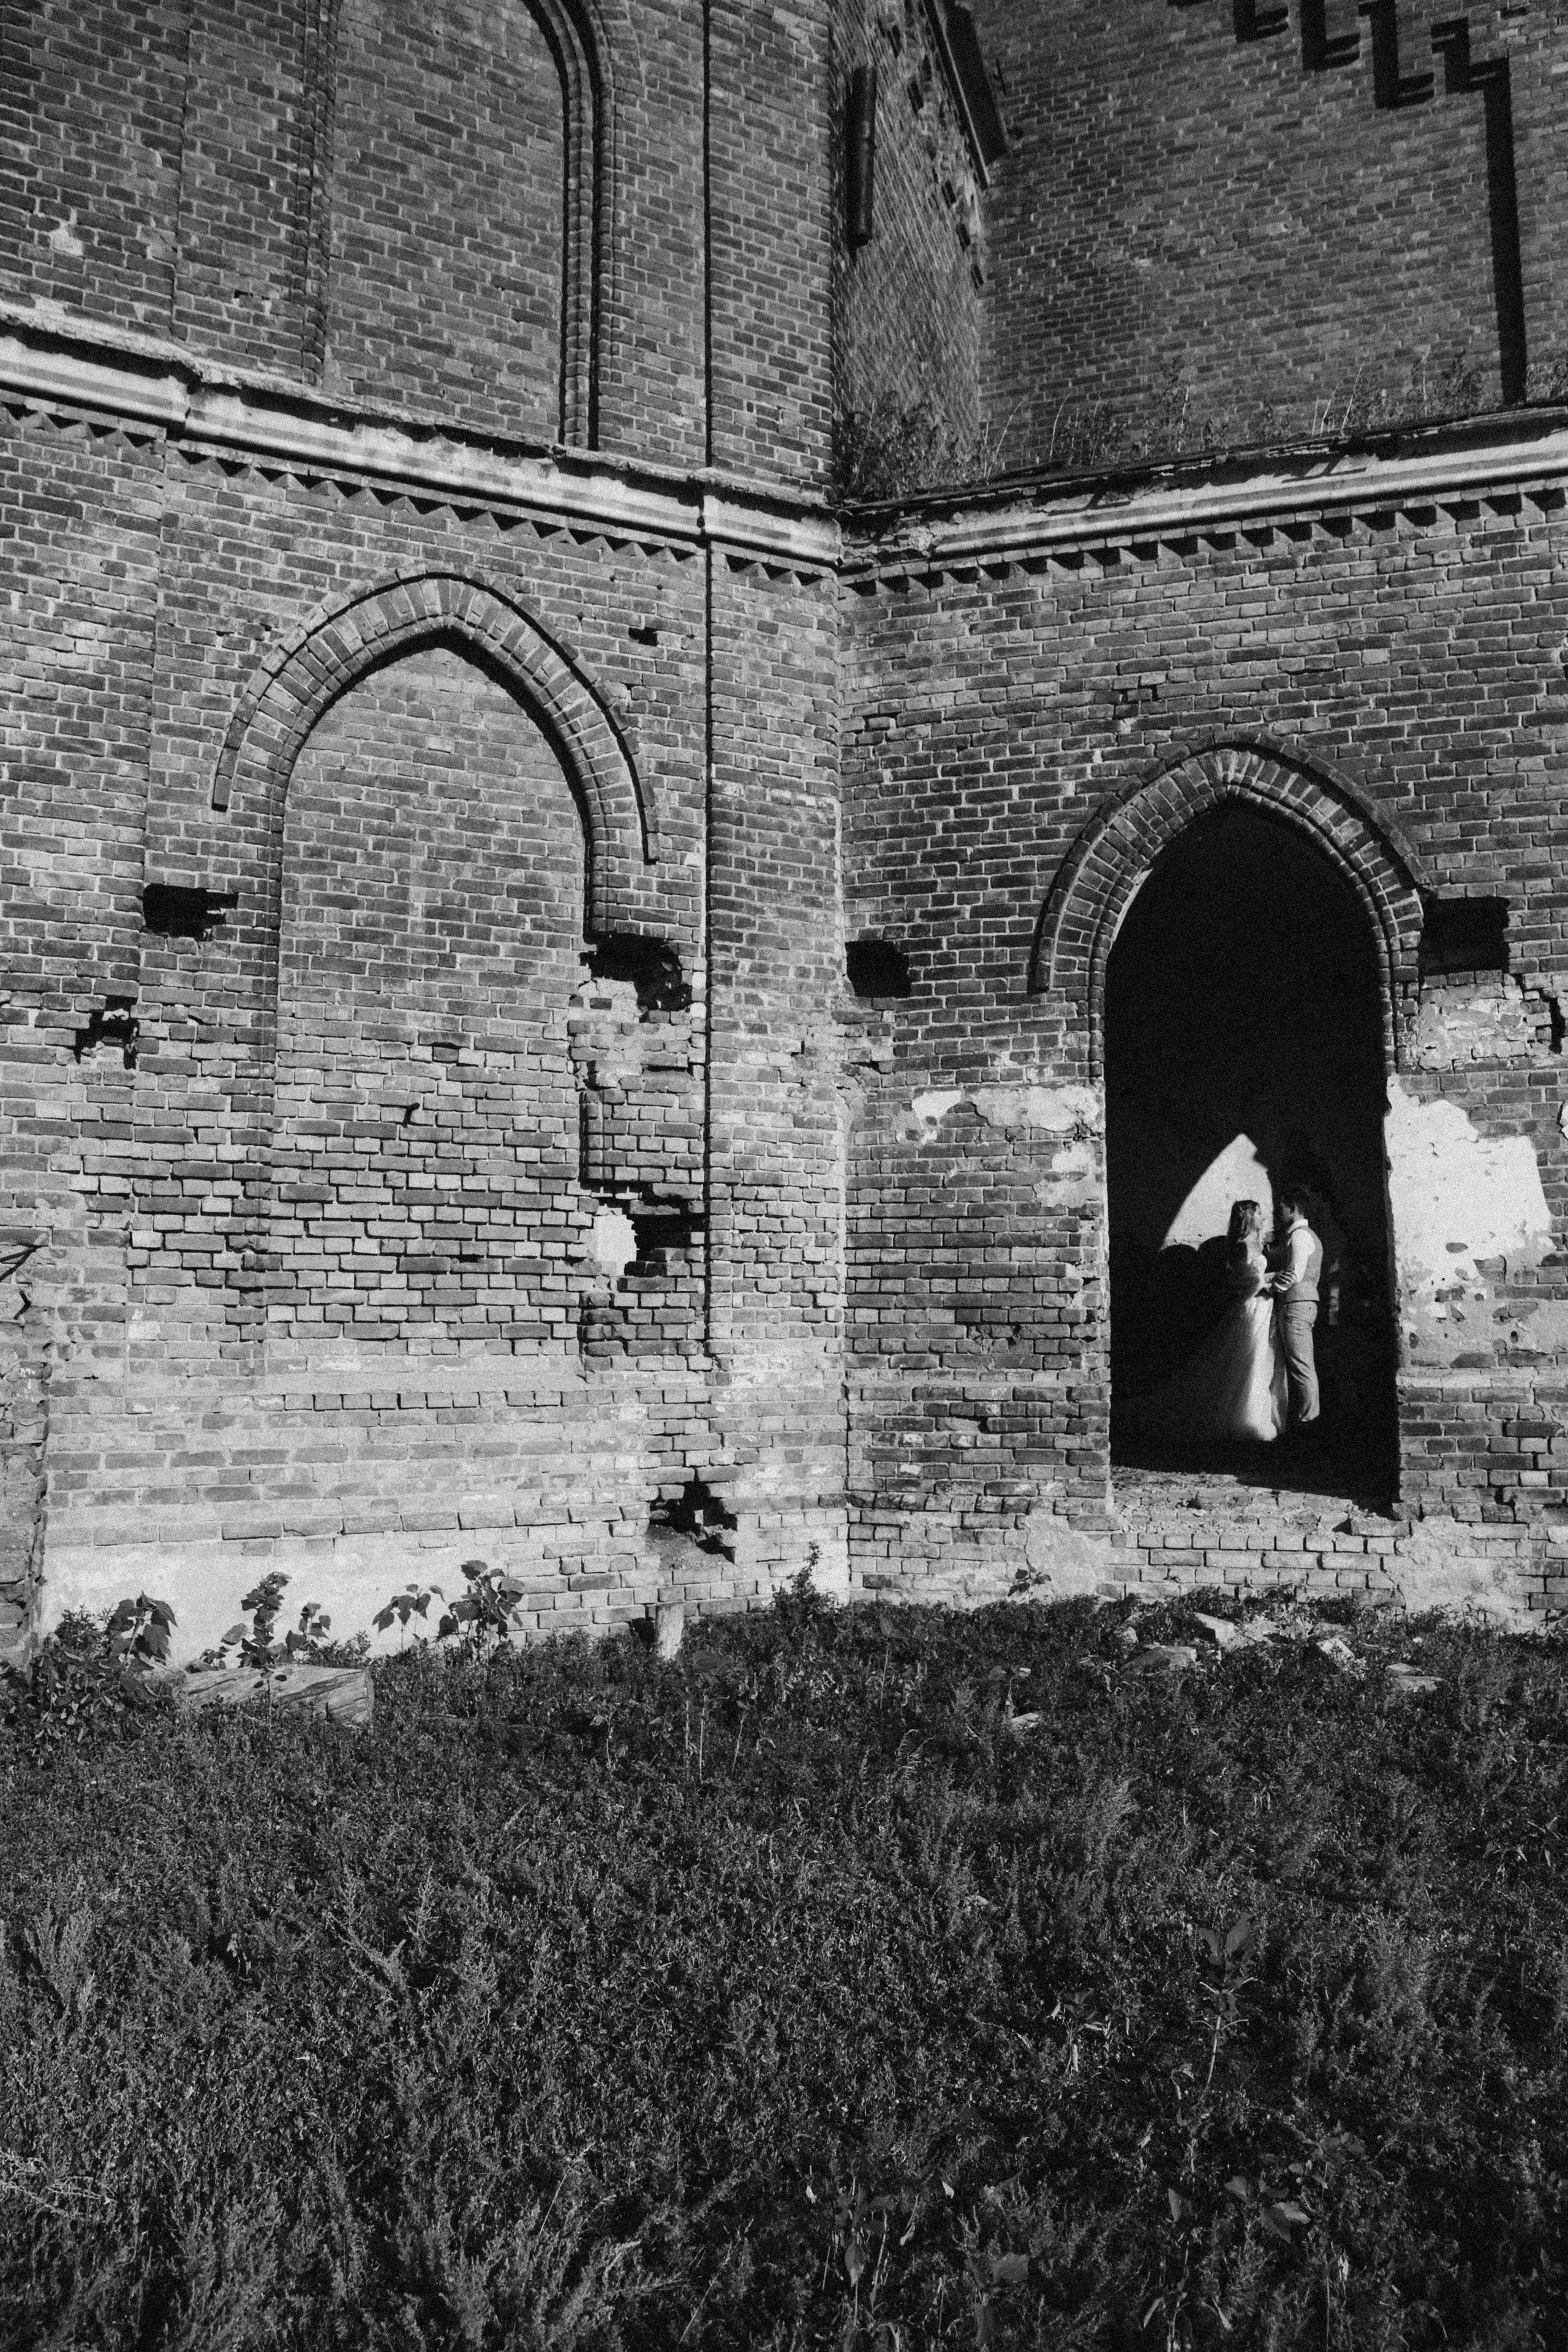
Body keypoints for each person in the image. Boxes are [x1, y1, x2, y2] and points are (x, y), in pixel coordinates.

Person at [1120, 1199, 1286, 1447]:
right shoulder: (1242, 1247)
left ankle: (1255, 1415)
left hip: (1264, 1308)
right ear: (1250, 1218)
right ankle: (1241, 1419)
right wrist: (1266, 1284)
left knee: (1260, 1362)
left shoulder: (1257, 1245)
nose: (1264, 1218)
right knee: (1245, 1360)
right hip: (1252, 1308)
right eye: (1260, 1214)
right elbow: (1240, 1283)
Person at [1263, 1188, 1322, 1433]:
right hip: (1300, 1304)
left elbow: (1295, 1275)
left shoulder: (1300, 1235)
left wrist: (1267, 1288)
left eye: (1281, 1208)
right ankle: (1305, 1420)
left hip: (1297, 1304)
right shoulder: (1300, 1235)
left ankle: (1309, 1423)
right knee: (1299, 1365)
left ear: (1293, 1208)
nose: (1278, 1213)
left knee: (1301, 1366)